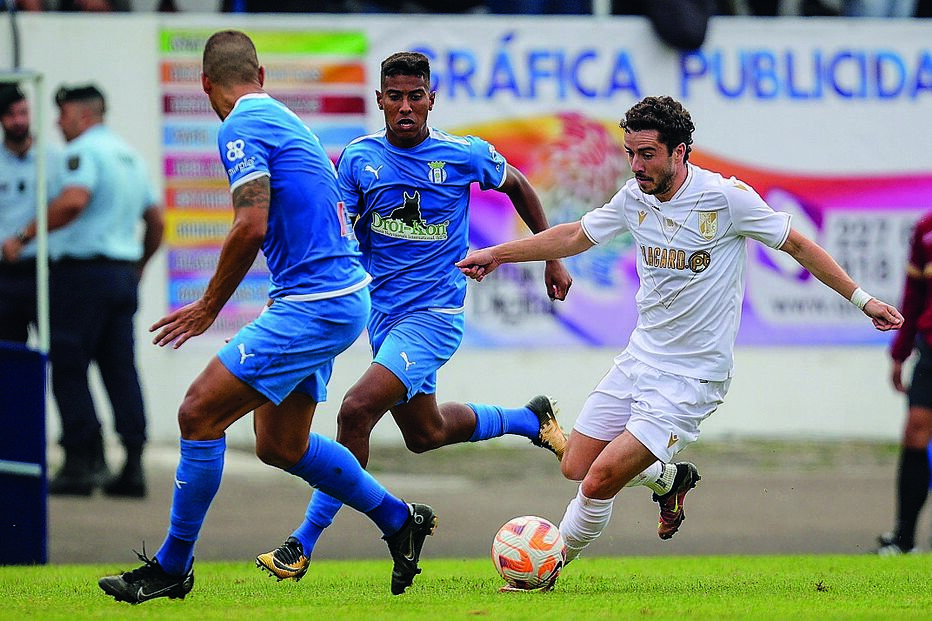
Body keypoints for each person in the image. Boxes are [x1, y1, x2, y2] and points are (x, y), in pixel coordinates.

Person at [456, 95, 904, 566]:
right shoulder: (634, 198)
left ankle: (549, 563)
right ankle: (669, 480)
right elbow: (574, 235)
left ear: (680, 151)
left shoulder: (725, 199)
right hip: (640, 360)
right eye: (630, 153)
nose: (636, 165)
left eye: (647, 154)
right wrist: (499, 253)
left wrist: (862, 299)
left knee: (599, 480)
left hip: (692, 378)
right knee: (575, 465)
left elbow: (797, 244)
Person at [97, 30, 437, 605]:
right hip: (331, 298)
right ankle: (400, 519)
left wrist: (209, 306)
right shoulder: (278, 117)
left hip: (315, 303)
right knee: (281, 444)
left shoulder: (241, 126)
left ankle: (173, 565)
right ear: (261, 75)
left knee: (198, 413)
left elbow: (249, 224)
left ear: (205, 84)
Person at [255, 50, 573, 582]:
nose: (406, 107)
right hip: (383, 320)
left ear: (431, 99)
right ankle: (530, 419)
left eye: (415, 97)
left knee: (355, 411)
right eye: (395, 97)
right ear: (380, 100)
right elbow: (340, 234)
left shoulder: (462, 154)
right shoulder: (358, 160)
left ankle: (303, 543)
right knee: (425, 433)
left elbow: (517, 183)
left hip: (434, 317)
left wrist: (552, 256)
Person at [1, 83, 163, 498]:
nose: (57, 122)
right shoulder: (129, 155)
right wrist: (140, 265)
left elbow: (73, 201)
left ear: (83, 115)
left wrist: (25, 234)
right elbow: (156, 219)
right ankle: (132, 464)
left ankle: (80, 461)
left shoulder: (83, 153)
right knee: (120, 370)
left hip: (81, 276)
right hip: (121, 274)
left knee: (69, 367)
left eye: (64, 115)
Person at [878, 211, 932, 555]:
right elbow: (913, 295)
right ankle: (904, 539)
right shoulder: (925, 230)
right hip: (931, 347)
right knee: (915, 430)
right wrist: (899, 352)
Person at [0, 83, 62, 344]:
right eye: (11, 115)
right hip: (4, 273)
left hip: (44, 271)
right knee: (9, 355)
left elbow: (63, 210)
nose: (19, 121)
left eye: (23, 113)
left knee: (59, 347)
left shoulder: (54, 159)